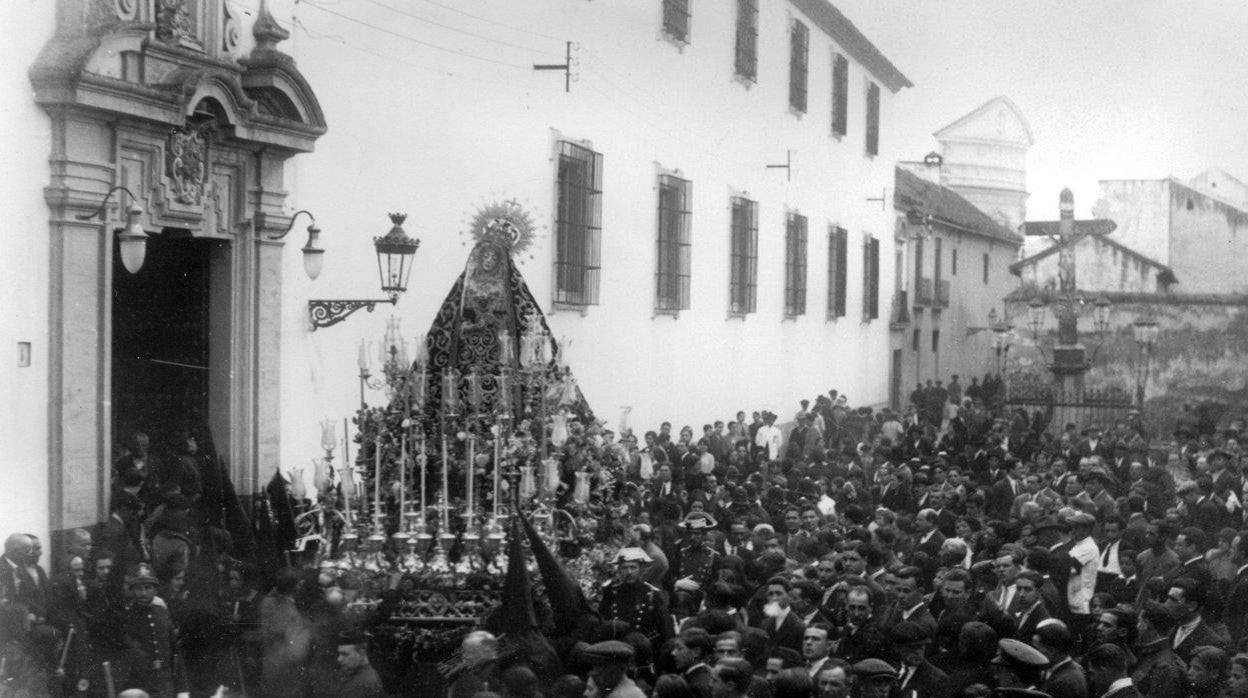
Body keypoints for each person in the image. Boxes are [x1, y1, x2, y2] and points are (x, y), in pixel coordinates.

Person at [334, 632, 384, 697]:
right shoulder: (359, 673)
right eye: (339, 654)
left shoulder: (363, 683)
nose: (339, 659)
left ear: (361, 654)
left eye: (345, 654)